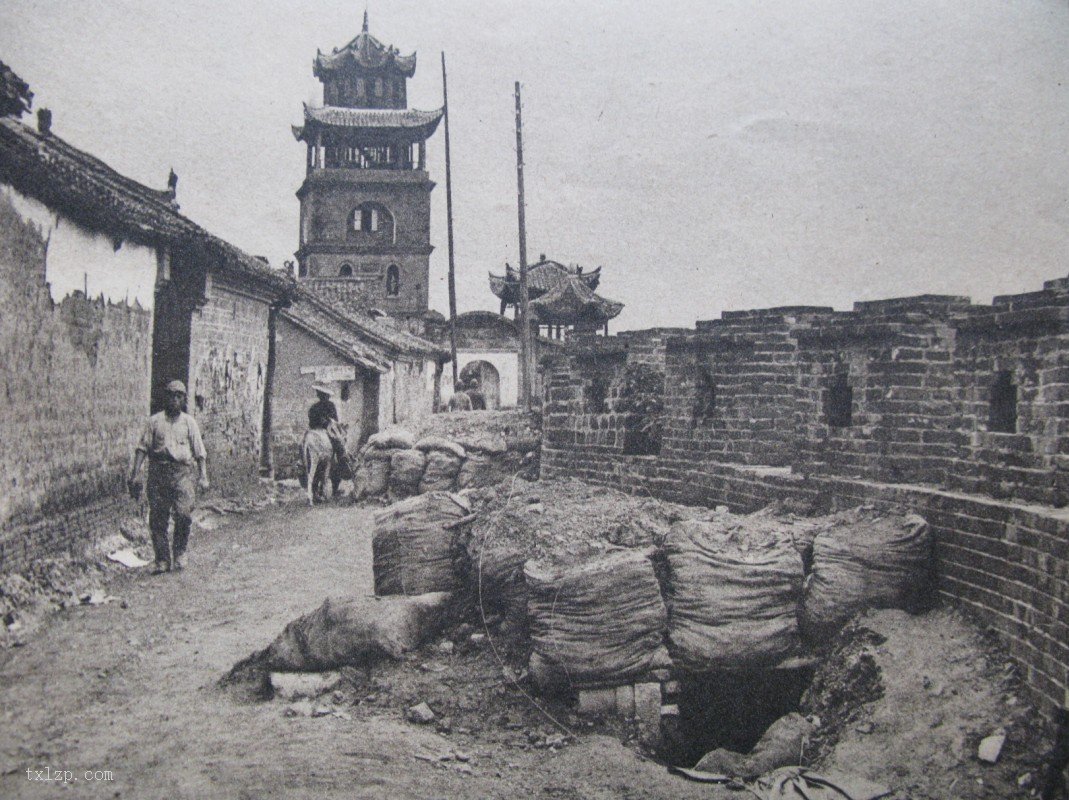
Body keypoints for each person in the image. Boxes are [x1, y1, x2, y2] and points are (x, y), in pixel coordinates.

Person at [128, 380, 209, 574]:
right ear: (166, 398)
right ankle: (162, 559)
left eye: (179, 396)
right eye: (171, 395)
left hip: (182, 474)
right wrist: (135, 473)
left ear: (184, 399)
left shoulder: (189, 423)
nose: (174, 400)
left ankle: (179, 552)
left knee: (183, 514)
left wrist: (203, 476)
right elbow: (142, 448)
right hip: (159, 472)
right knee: (158, 517)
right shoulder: (154, 422)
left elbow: (199, 452)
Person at [307, 383, 344, 498]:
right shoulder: (330, 406)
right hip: (326, 432)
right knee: (339, 448)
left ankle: (314, 489)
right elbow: (335, 421)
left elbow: (311, 424)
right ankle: (342, 466)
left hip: (313, 432)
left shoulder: (313, 407)